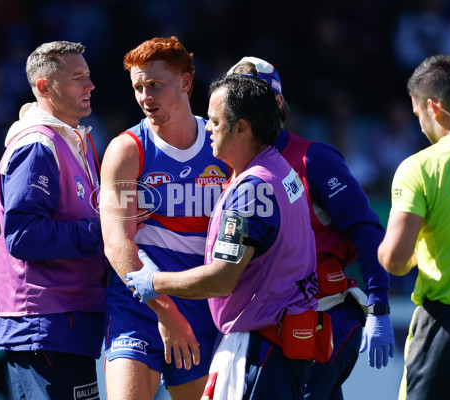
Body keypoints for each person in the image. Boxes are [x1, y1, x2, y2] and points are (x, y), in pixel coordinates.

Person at [125, 74, 321, 399]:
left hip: (259, 347)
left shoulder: (252, 190)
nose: (207, 128)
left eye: (215, 121)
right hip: (280, 342)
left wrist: (154, 282)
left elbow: (221, 279)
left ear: (242, 128)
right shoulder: (279, 171)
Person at [227, 56, 395, 399]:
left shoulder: (315, 159)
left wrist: (379, 306)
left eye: (253, 96)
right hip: (259, 329)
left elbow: (366, 229)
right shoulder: (225, 166)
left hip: (321, 320)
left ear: (277, 103)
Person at [99, 36, 229, 400]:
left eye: (155, 84)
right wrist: (166, 312)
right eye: (138, 87)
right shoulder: (127, 149)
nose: (145, 96)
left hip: (203, 307)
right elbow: (116, 243)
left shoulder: (221, 146)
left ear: (186, 82)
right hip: (140, 305)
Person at [0, 41, 106, 399]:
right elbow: (24, 236)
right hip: (45, 322)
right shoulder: (38, 145)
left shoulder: (74, 142)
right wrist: (104, 233)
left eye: (88, 76)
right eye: (77, 78)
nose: (89, 86)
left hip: (65, 322)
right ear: (44, 86)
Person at [378, 54, 450, 400]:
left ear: (433, 108)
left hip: (445, 327)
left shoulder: (421, 167)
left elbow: (395, 259)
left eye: (418, 115)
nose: (420, 126)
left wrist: (402, 254)